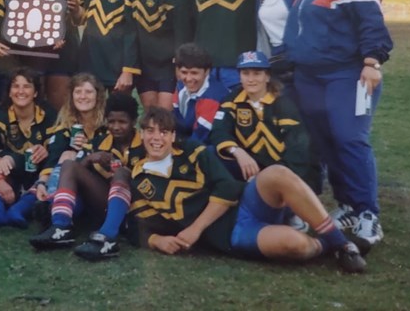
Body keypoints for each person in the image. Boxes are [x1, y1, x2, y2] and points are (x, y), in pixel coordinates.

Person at [125, 107, 366, 273]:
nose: (156, 138)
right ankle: (333, 244)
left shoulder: (191, 150)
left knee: (277, 173)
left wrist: (195, 229)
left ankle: (342, 244)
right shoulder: (138, 177)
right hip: (231, 235)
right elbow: (137, 225)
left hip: (247, 203)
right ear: (141, 134)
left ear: (173, 135)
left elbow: (228, 187)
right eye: (150, 131)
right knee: (297, 245)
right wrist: (158, 241)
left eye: (163, 132)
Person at [284, 0, 393, 253]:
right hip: (310, 76)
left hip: (346, 75)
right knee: (325, 140)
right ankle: (347, 204)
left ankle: (367, 213)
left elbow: (372, 23)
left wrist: (372, 62)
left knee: (349, 138)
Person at [30, 93, 145, 254]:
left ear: (133, 122)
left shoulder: (145, 144)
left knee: (121, 173)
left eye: (122, 122)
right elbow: (75, 174)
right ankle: (61, 227)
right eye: (111, 122)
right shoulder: (99, 142)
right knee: (69, 164)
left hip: (134, 207)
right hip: (102, 202)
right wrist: (90, 159)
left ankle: (108, 237)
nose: (116, 127)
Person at [210, 51, 314, 186]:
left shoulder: (284, 105)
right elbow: (219, 131)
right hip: (248, 167)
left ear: (267, 76)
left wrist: (268, 178)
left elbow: (298, 149)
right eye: (245, 73)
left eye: (257, 73)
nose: (251, 79)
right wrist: (237, 151)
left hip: (285, 171)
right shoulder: (231, 101)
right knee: (210, 153)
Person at [0, 68, 57, 229]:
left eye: (26, 86)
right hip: (9, 175)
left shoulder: (48, 114)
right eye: (15, 86)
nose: (20, 91)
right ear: (9, 92)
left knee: (52, 172)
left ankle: (18, 210)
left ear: (35, 93)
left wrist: (45, 150)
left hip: (38, 175)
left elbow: (58, 150)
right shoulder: (1, 114)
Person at [17, 0, 85, 110]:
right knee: (32, 103)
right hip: (31, 52)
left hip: (65, 51)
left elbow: (80, 20)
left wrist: (76, 9)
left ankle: (57, 138)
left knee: (58, 105)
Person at [128, 0, 194, 109]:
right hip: (145, 63)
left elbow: (182, 27)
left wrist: (180, 60)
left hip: (168, 62)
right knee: (150, 111)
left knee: (166, 113)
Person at [37, 73, 108, 211]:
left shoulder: (108, 125)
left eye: (88, 92)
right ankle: (52, 199)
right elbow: (54, 156)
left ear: (98, 96)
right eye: (78, 92)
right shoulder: (66, 123)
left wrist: (86, 147)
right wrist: (41, 182)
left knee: (69, 156)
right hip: (69, 184)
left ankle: (52, 203)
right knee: (66, 154)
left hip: (99, 182)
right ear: (71, 96)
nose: (83, 96)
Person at [172, 43, 229, 144]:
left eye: (194, 73)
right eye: (184, 72)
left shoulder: (214, 96)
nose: (188, 79)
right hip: (188, 138)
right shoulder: (180, 85)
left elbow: (200, 136)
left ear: (207, 71)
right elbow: (175, 120)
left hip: (211, 146)